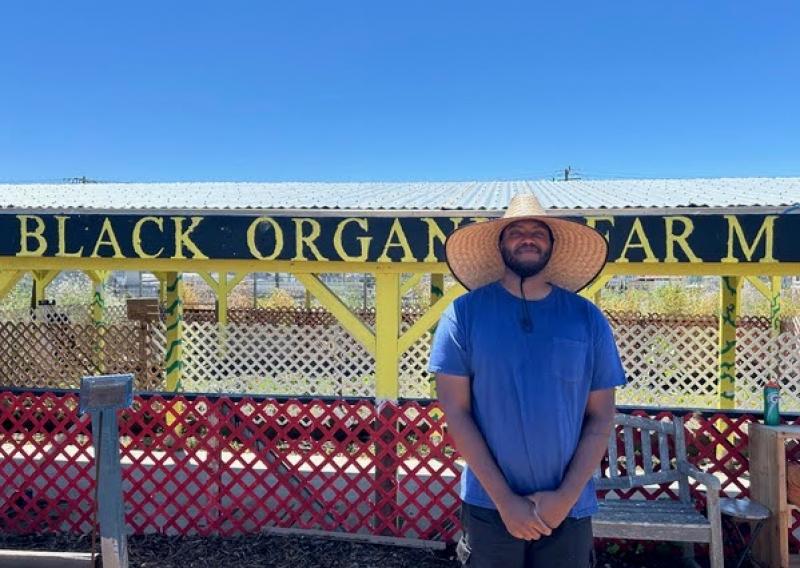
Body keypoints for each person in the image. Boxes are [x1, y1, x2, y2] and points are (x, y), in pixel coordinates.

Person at [429, 194, 627, 567]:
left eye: (538, 231)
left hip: (569, 507)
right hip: (489, 504)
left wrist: (564, 498)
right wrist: (506, 501)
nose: (527, 238)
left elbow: (600, 416)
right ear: (500, 244)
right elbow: (456, 412)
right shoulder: (463, 315)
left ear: (552, 246)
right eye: (515, 231)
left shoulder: (587, 319)